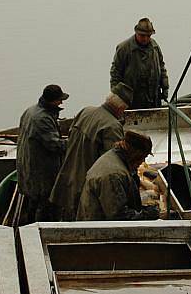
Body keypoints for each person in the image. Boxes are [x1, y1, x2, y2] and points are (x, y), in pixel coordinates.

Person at [50, 83, 133, 221]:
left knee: (67, 220)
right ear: (121, 107)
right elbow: (114, 163)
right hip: (84, 186)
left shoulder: (85, 111)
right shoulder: (112, 126)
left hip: (66, 180)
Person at [76, 130, 159, 221]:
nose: (142, 161)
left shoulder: (116, 158)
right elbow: (119, 217)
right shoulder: (113, 175)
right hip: (97, 230)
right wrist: (148, 215)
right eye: (142, 157)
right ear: (134, 153)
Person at [16, 84, 68, 223]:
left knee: (33, 201)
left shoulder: (30, 110)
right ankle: (39, 229)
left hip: (27, 165)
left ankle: (28, 224)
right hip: (40, 170)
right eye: (59, 100)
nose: (61, 103)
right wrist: (74, 144)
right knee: (44, 204)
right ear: (52, 101)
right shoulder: (43, 119)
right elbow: (55, 145)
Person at [110, 17, 169, 109]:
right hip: (131, 102)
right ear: (136, 33)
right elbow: (115, 74)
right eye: (142, 35)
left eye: (148, 36)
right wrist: (116, 98)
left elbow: (162, 68)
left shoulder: (155, 47)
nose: (145, 38)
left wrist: (165, 87)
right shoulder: (124, 49)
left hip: (153, 100)